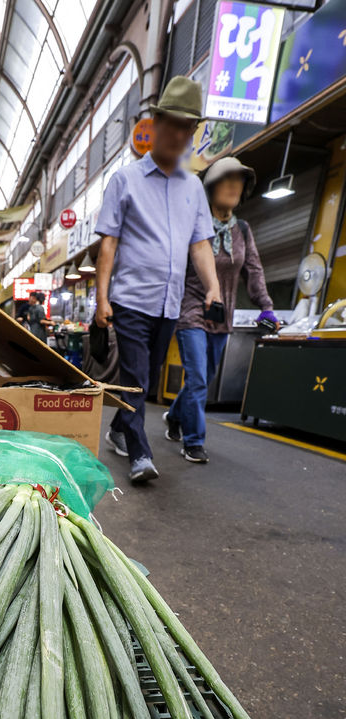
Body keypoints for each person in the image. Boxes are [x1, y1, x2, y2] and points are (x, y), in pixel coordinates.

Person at [95, 76, 222, 484]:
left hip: (169, 303)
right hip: (131, 298)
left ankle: (118, 428)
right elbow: (109, 244)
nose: (179, 134)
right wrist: (102, 298)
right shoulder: (125, 180)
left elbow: (200, 246)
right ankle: (140, 454)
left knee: (142, 381)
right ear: (155, 122)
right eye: (172, 123)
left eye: (188, 127)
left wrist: (214, 287)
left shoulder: (194, 189)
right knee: (134, 378)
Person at [165, 156, 278, 463]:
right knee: (198, 377)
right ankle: (194, 441)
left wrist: (266, 307)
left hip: (222, 316)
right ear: (211, 188)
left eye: (238, 180)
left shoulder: (242, 229)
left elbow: (254, 270)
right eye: (226, 180)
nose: (233, 186)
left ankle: (175, 415)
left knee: (202, 379)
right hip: (191, 311)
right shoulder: (193, 224)